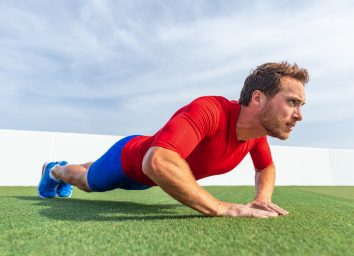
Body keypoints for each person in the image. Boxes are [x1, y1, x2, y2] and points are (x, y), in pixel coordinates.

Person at [38, 62, 309, 218]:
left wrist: (262, 197)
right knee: (86, 181)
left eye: (301, 105)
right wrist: (221, 207)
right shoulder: (210, 110)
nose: (299, 115)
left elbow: (265, 167)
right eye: (292, 102)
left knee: (92, 167)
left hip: (150, 177)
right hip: (129, 160)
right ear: (258, 98)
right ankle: (55, 169)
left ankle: (68, 169)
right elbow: (157, 161)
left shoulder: (255, 135)